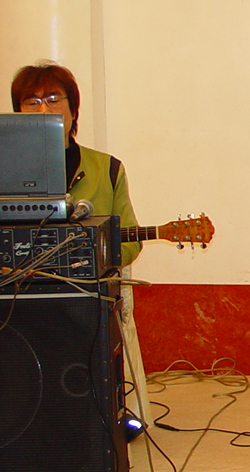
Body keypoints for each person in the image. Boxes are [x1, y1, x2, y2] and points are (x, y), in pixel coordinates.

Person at [12, 61, 150, 434]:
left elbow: (130, 242)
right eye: (31, 101)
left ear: (73, 109)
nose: (43, 108)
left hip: (85, 293)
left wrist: (92, 257)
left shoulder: (107, 169)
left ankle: (99, 419)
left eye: (53, 98)